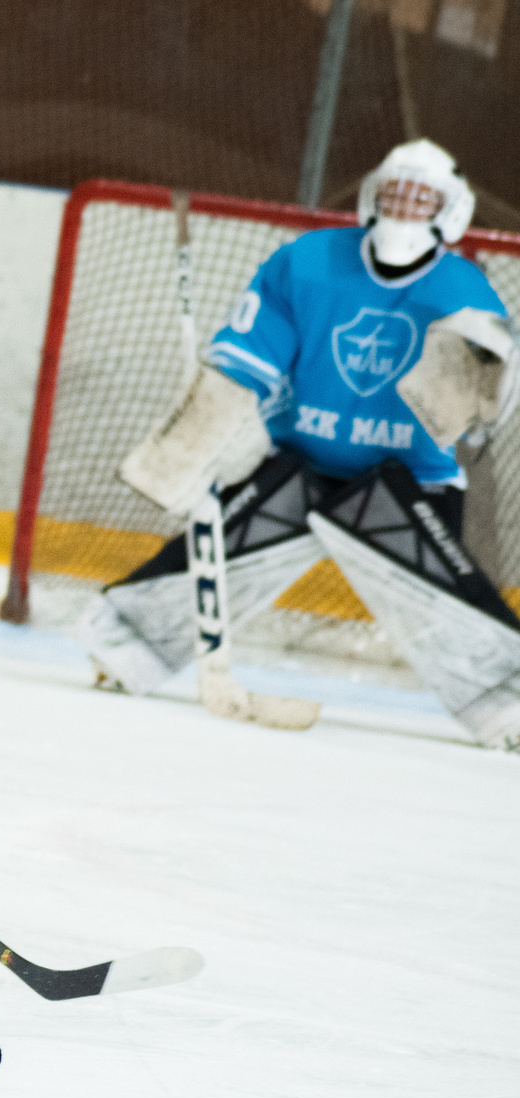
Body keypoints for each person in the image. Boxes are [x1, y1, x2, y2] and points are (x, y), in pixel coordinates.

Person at [69, 140, 519, 745]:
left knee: (441, 592)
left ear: (450, 211)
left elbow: (483, 407)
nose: (404, 208)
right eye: (395, 193)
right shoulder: (307, 261)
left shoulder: (464, 290)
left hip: (410, 480)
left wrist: (479, 386)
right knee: (231, 537)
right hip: (305, 465)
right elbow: (247, 360)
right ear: (370, 198)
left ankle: (507, 703)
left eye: (420, 198)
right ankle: (127, 646)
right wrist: (199, 439)